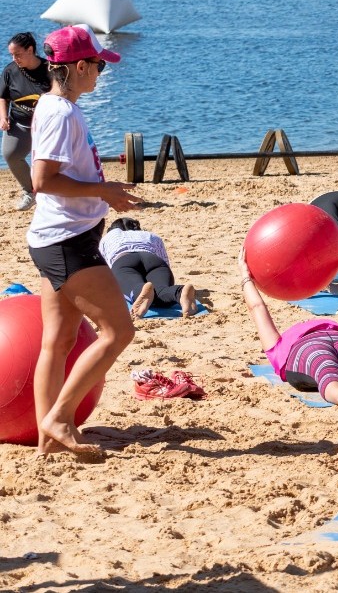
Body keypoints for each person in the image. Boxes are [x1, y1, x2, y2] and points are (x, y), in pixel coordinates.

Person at [25, 24, 141, 458]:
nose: (100, 72)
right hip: (67, 242)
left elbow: (61, 175)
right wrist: (103, 192)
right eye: (96, 65)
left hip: (58, 238)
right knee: (118, 331)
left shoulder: (57, 106)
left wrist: (103, 188)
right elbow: (43, 181)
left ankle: (47, 440)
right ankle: (58, 417)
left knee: (57, 342)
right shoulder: (61, 112)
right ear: (77, 67)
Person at [240, 250, 338, 413]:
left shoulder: (279, 348)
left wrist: (245, 277)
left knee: (325, 370)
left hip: (308, 347)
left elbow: (257, 307)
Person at [100, 218, 197, 318]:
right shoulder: (151, 235)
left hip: (124, 260)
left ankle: (141, 289)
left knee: (132, 288)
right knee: (161, 291)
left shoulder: (107, 238)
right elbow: (165, 261)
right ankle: (179, 292)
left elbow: (104, 267)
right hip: (153, 260)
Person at [2, 32, 50, 210]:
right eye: (12, 55)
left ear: (30, 50)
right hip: (19, 123)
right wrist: (3, 116)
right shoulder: (10, 70)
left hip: (45, 126)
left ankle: (54, 194)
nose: (15, 59)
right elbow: (3, 97)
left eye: (18, 54)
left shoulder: (49, 69)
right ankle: (30, 192)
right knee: (10, 154)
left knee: (49, 161)